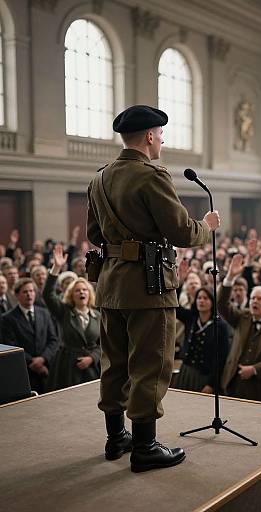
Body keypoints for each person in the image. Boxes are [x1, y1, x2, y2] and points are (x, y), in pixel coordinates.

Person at [87, 105, 219, 473]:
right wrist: (206, 225)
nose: (162, 139)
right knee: (149, 365)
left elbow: (94, 235)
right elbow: (181, 231)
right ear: (149, 135)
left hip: (111, 285)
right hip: (148, 286)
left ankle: (116, 438)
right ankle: (144, 445)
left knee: (113, 363)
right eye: (160, 133)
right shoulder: (152, 176)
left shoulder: (99, 179)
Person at [219, 254, 261, 403]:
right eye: (252, 298)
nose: (254, 302)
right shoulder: (242, 317)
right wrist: (230, 278)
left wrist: (254, 369)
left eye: (260, 299)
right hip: (235, 384)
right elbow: (221, 305)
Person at [43, 245, 101, 391]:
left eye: (84, 290)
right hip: (67, 366)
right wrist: (56, 268)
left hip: (92, 368)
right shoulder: (64, 311)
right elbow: (47, 295)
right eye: (77, 290)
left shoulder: (98, 315)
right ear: (71, 295)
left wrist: (92, 358)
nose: (81, 292)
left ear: (89, 294)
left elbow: (105, 344)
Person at [1, 278, 59, 393]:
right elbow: (11, 345)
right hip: (24, 370)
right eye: (25, 292)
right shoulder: (7, 318)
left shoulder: (44, 313)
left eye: (32, 291)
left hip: (47, 369)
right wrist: (33, 362)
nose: (29, 295)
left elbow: (53, 340)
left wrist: (43, 359)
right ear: (17, 295)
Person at [174, 285, 229, 393]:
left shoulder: (220, 326)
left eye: (205, 298)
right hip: (186, 372)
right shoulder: (191, 318)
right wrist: (179, 283)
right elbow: (175, 307)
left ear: (212, 301)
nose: (201, 301)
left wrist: (211, 384)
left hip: (205, 376)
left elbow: (221, 358)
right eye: (199, 298)